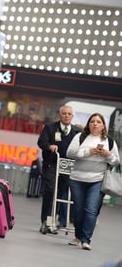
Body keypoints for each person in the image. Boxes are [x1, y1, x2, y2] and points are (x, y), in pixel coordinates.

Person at [66, 113, 120, 250]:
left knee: (91, 210)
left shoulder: (110, 141)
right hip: (77, 179)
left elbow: (116, 162)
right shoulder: (80, 137)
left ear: (103, 126)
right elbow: (70, 153)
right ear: (88, 125)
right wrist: (88, 151)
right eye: (92, 121)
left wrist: (107, 155)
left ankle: (86, 240)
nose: (95, 124)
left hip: (97, 180)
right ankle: (78, 236)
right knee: (78, 211)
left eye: (98, 122)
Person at [37, 105, 81, 234]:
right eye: (64, 113)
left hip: (67, 167)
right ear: (60, 115)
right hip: (52, 164)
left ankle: (52, 221)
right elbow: (41, 142)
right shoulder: (50, 128)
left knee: (59, 193)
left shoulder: (76, 132)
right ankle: (45, 221)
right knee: (50, 191)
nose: (66, 116)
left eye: (69, 114)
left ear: (72, 117)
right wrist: (49, 146)